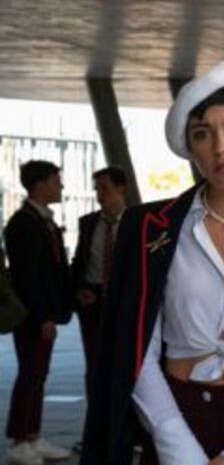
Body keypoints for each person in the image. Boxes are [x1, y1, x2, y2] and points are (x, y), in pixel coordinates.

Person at [81, 58, 224, 465]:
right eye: (202, 134)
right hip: (172, 420)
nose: (221, 147)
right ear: (191, 149)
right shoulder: (149, 227)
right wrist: (178, 448)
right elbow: (133, 347)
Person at [3, 160, 73, 464]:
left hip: (42, 313)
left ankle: (32, 435)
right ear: (39, 184)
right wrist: (43, 316)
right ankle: (19, 440)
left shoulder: (41, 220)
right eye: (56, 181)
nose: (61, 186)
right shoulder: (23, 223)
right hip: (32, 316)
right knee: (30, 374)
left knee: (37, 374)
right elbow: (27, 276)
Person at [70, 166, 128, 453]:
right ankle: (97, 431)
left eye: (104, 188)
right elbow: (79, 262)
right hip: (93, 303)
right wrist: (78, 288)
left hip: (124, 303)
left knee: (125, 366)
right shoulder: (88, 223)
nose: (99, 194)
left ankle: (126, 431)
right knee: (95, 367)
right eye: (97, 188)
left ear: (121, 189)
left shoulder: (138, 221)